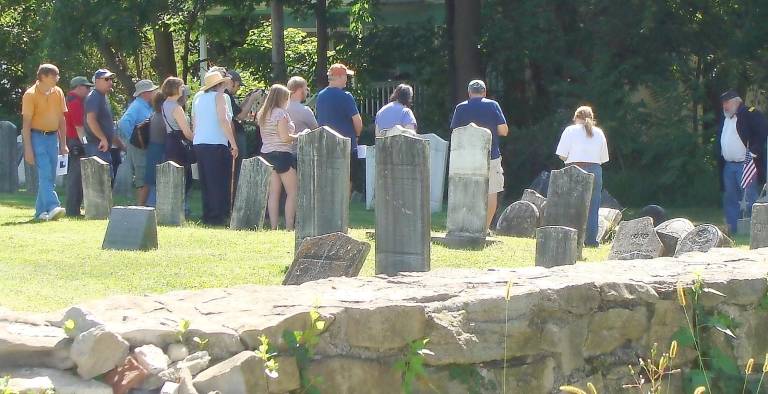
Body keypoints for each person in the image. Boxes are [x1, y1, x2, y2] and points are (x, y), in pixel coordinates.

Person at [449, 79, 509, 231]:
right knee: (492, 191)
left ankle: (466, 226)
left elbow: (455, 133)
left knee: (466, 190)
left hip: (466, 156)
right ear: (484, 92)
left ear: (469, 93)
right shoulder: (492, 105)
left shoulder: (460, 108)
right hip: (491, 155)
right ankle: (485, 227)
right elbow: (503, 130)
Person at [555, 106, 609, 247]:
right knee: (593, 207)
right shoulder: (599, 132)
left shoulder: (569, 131)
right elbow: (603, 158)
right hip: (595, 170)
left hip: (574, 168)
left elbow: (562, 155)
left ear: (576, 117)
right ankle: (591, 240)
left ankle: (571, 238)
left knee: (571, 206)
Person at [716, 90, 768, 234]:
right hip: (728, 165)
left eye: (727, 103)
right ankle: (733, 228)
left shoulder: (750, 114)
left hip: (745, 164)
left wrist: (753, 152)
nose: (724, 106)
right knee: (730, 198)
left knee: (749, 197)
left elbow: (763, 132)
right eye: (723, 103)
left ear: (736, 102)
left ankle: (755, 228)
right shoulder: (725, 118)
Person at [20, 63, 68, 221]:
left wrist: (63, 143)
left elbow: (62, 119)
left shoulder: (58, 92)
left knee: (50, 175)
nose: (57, 78)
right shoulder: (30, 94)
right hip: (36, 137)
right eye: (54, 75)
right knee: (45, 172)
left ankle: (40, 212)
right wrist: (27, 149)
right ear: (43, 77)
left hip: (52, 137)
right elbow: (26, 123)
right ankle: (53, 206)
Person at [192, 71, 238, 225]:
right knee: (219, 180)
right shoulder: (220, 97)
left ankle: (208, 213)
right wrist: (233, 142)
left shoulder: (198, 98)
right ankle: (217, 215)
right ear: (219, 84)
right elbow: (223, 120)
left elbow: (196, 121)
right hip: (216, 142)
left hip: (200, 142)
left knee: (206, 180)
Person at [316, 63, 363, 192]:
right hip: (346, 145)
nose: (347, 80)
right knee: (347, 179)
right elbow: (357, 121)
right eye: (346, 76)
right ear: (340, 76)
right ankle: (342, 209)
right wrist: (357, 136)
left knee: (330, 179)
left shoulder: (320, 96)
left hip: (326, 145)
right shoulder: (346, 96)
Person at [258, 84, 300, 230]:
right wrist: (299, 136)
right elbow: (284, 138)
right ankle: (289, 226)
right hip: (282, 154)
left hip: (267, 153)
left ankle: (273, 226)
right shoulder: (280, 114)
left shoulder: (263, 113)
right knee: (293, 191)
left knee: (273, 193)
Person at [118, 79, 158, 206]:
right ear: (145, 93)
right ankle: (140, 207)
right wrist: (133, 138)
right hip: (139, 147)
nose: (154, 93)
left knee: (145, 174)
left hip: (143, 145)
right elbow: (123, 123)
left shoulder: (145, 106)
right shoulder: (137, 106)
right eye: (151, 91)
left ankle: (144, 205)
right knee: (142, 175)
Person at [160, 78, 195, 216]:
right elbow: (186, 132)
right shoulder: (176, 107)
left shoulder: (164, 104)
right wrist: (197, 139)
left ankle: (173, 207)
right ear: (175, 88)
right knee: (185, 177)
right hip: (179, 143)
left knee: (173, 175)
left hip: (170, 141)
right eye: (181, 86)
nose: (183, 89)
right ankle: (182, 208)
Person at [63, 76, 93, 217]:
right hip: (76, 140)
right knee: (76, 177)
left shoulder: (69, 100)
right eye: (87, 87)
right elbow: (79, 126)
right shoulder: (75, 102)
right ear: (79, 87)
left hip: (72, 139)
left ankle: (73, 209)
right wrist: (85, 144)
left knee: (75, 176)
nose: (88, 90)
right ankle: (73, 210)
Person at [84, 69, 116, 167]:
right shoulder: (94, 97)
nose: (110, 82)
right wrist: (102, 138)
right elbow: (91, 120)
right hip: (97, 146)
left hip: (103, 146)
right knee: (100, 179)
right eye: (106, 79)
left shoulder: (102, 97)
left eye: (111, 79)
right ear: (97, 81)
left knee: (107, 179)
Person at [225, 71, 261, 158]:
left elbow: (237, 111)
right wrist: (252, 99)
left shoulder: (227, 95)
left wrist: (247, 99)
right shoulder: (226, 96)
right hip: (234, 135)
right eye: (238, 85)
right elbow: (240, 116)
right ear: (232, 83)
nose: (238, 88)